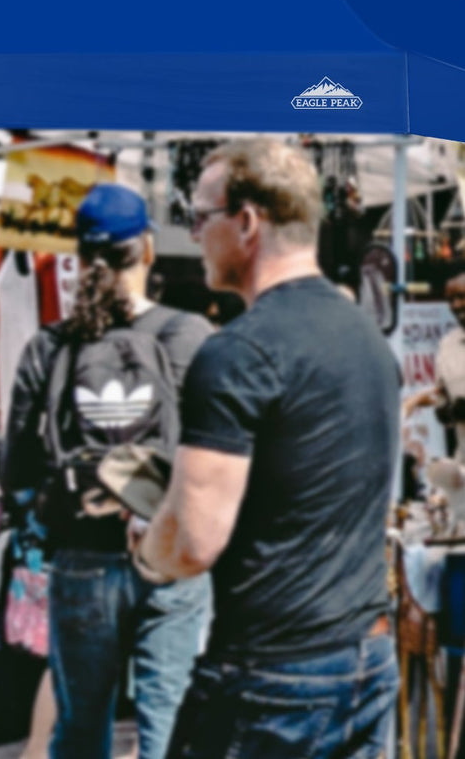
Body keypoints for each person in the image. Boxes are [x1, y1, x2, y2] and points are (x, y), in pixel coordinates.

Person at [134, 139, 400, 759]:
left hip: (274, 676)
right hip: (366, 656)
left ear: (247, 222)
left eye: (200, 216)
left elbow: (193, 543)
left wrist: (147, 548)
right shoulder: (368, 339)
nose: (195, 233)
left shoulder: (238, 353)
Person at [2, 183, 214, 759]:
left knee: (80, 723)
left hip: (81, 556)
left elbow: (16, 464)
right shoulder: (189, 336)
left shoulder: (51, 347)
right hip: (170, 551)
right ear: (147, 249)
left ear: (79, 256)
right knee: (166, 717)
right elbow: (217, 452)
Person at [406, 271, 465, 460]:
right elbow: (443, 399)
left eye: (461, 297)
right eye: (450, 300)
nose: (455, 305)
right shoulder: (447, 345)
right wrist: (445, 410)